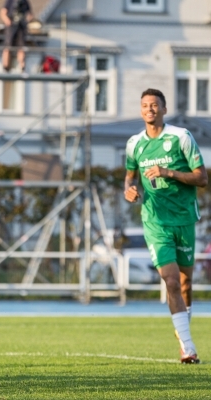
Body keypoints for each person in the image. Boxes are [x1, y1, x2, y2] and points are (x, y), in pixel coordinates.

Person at [124, 88, 207, 364]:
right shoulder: (134, 144)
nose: (150, 109)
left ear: (164, 109)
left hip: (183, 218)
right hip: (154, 220)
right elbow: (130, 177)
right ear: (141, 110)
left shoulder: (181, 137)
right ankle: (188, 346)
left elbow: (201, 178)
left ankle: (183, 325)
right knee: (170, 280)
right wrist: (130, 190)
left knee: (185, 283)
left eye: (155, 105)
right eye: (145, 105)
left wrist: (168, 172)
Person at [0, 0, 33, 72]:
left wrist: (25, 21)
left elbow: (30, 15)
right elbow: (3, 13)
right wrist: (8, 21)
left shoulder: (24, 1)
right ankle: (6, 66)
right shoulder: (10, 1)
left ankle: (22, 67)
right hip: (11, 26)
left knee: (21, 47)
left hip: (21, 27)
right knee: (7, 47)